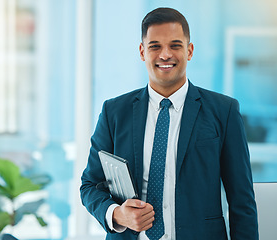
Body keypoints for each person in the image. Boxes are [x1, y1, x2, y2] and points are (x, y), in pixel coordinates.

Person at [80, 7, 258, 240]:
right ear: (143, 52)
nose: (165, 55)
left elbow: (241, 200)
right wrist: (117, 214)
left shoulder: (223, 111)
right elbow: (90, 185)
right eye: (155, 46)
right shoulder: (114, 111)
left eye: (175, 45)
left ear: (190, 50)